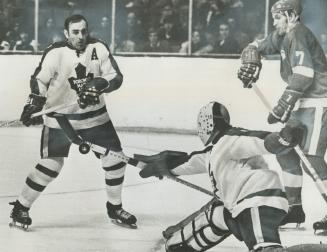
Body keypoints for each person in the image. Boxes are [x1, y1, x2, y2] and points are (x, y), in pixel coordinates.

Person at [9, 14, 137, 230]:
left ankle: (115, 207)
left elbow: (115, 76)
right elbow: (40, 80)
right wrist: (34, 104)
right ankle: (21, 207)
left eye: (83, 31)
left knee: (115, 161)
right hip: (60, 121)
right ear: (66, 33)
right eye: (75, 32)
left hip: (96, 119)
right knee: (50, 165)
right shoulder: (55, 52)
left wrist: (97, 85)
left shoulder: (99, 48)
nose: (80, 36)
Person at [135, 101, 307, 252]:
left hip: (259, 202)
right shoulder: (214, 152)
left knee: (267, 250)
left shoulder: (231, 139)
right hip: (238, 208)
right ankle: (179, 244)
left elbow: (261, 141)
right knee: (211, 217)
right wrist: (161, 166)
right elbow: (188, 162)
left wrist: (283, 138)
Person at [237, 0, 327, 231]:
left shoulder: (298, 34)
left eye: (278, 17)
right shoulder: (283, 35)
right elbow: (262, 44)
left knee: (312, 160)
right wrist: (252, 51)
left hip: (319, 103)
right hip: (302, 105)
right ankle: (295, 209)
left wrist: (283, 104)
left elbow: (304, 74)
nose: (274, 22)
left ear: (292, 16)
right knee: (286, 152)